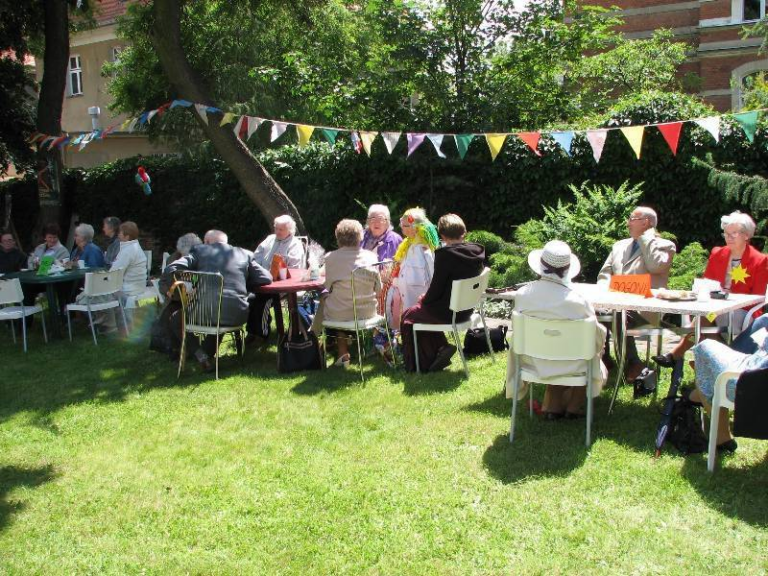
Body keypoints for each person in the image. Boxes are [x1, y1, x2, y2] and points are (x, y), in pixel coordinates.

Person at [507, 240, 608, 419]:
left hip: (532, 362)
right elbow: (595, 337)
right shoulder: (578, 301)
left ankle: (554, 408)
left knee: (566, 350)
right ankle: (573, 407)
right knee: (591, 350)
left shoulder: (523, 295)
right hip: (572, 364)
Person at [654, 211, 768, 368]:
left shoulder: (760, 260)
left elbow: (758, 296)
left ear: (747, 235)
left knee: (702, 320)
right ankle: (712, 362)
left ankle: (678, 354)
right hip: (715, 308)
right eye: (726, 233)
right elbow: (707, 284)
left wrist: (729, 300)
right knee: (704, 323)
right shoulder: (717, 253)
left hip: (743, 311)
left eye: (734, 233)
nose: (729, 237)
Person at [161, 229, 272, 371]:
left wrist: (189, 282)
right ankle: (205, 357)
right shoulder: (245, 253)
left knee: (177, 318)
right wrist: (242, 281)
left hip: (205, 313)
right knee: (218, 318)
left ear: (206, 242)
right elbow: (266, 278)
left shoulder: (199, 251)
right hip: (237, 314)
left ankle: (199, 354)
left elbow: (172, 267)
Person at [597, 206, 676, 380]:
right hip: (613, 304)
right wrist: (607, 290)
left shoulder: (665, 246)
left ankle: (633, 362)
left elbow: (656, 266)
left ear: (645, 222)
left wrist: (646, 239)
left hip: (644, 311)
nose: (627, 223)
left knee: (618, 312)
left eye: (632, 218)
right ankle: (603, 356)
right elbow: (604, 276)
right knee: (591, 309)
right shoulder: (619, 245)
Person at [400, 214, 485, 372]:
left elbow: (436, 289)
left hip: (450, 313)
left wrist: (423, 299)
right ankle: (440, 349)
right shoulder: (476, 251)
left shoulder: (445, 256)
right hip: (467, 309)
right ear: (463, 232)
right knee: (418, 312)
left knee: (408, 316)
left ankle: (421, 364)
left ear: (442, 235)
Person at [688, 314, 768, 452]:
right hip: (756, 380)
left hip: (745, 387)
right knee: (764, 319)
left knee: (704, 348)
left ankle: (721, 436)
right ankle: (694, 396)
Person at [311, 219, 381, 367]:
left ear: (338, 237)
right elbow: (378, 289)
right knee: (340, 301)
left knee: (328, 299)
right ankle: (362, 348)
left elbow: (327, 286)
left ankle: (315, 340)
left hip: (341, 313)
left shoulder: (331, 258)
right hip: (368, 311)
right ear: (360, 236)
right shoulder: (371, 257)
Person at [247, 215, 305, 345]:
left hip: (282, 286)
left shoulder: (295, 245)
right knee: (250, 298)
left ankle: (261, 335)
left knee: (262, 300)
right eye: (276, 228)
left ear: (290, 230)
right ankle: (252, 331)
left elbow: (294, 270)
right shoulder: (269, 239)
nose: (277, 232)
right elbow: (255, 259)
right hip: (263, 282)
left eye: (281, 229)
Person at [386, 208, 439, 329]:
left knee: (417, 325)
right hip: (407, 296)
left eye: (405, 225)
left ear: (415, 227)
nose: (401, 228)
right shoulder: (408, 244)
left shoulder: (424, 248)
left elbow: (433, 272)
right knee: (408, 323)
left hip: (419, 296)